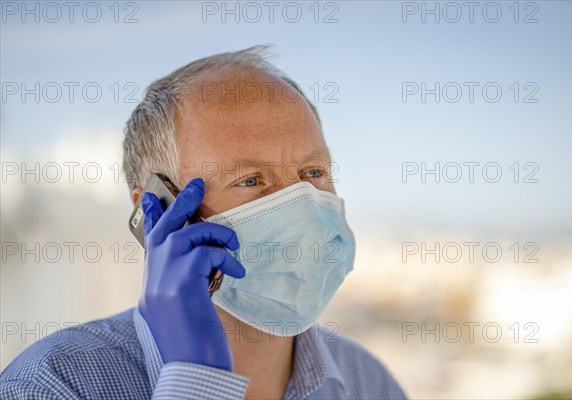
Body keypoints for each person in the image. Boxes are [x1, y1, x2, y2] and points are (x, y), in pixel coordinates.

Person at [0, 45, 407, 400]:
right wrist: (196, 382)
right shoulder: (51, 384)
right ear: (156, 212)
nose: (302, 205)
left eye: (314, 173)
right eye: (250, 180)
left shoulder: (370, 382)